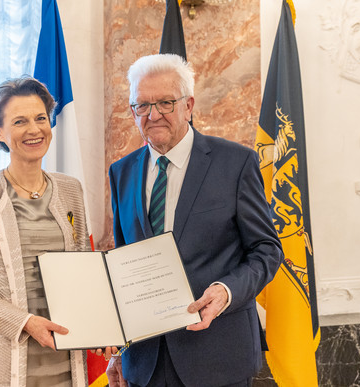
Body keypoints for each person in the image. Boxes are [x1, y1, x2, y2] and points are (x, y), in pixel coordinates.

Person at [106, 54, 284, 387]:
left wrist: (226, 291)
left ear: (188, 105)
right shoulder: (122, 172)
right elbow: (122, 263)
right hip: (144, 363)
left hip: (217, 357)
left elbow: (267, 250)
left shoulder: (236, 163)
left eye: (165, 102)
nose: (153, 114)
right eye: (142, 105)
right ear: (132, 112)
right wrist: (118, 349)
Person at [0, 77, 90, 387]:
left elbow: (86, 270)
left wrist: (102, 326)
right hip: (4, 359)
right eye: (20, 121)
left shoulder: (71, 190)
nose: (34, 129)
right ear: (0, 132)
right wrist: (25, 323)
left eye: (41, 118)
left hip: (65, 353)